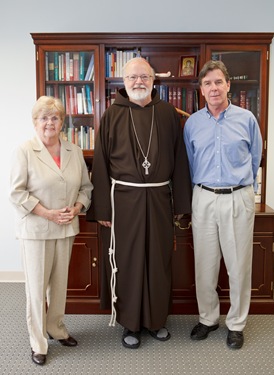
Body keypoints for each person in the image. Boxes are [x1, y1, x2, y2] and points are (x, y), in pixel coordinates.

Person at [86, 57, 192, 349]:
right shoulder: (111, 115)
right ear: (124, 81)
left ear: (154, 79)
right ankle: (130, 324)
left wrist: (182, 205)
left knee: (159, 260)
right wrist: (103, 210)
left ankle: (156, 320)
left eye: (144, 76)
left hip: (159, 199)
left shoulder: (168, 113)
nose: (138, 82)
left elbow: (180, 160)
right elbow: (101, 165)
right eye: (132, 77)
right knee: (129, 262)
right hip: (123, 201)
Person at [183, 60, 262, 349]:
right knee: (205, 263)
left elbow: (255, 158)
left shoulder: (246, 118)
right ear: (201, 90)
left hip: (238, 196)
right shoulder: (193, 123)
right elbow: (190, 163)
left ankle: (237, 323)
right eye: (207, 83)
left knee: (239, 265)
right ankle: (208, 318)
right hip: (203, 196)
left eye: (218, 82)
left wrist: (243, 187)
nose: (213, 88)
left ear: (228, 85)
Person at [9, 96, 93, 365]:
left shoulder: (74, 151)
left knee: (58, 287)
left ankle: (56, 328)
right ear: (35, 122)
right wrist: (46, 212)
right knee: (36, 288)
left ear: (62, 122)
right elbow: (16, 192)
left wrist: (78, 206)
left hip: (66, 228)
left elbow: (86, 188)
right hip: (36, 229)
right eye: (44, 118)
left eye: (55, 117)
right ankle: (38, 342)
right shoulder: (24, 150)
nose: (49, 122)